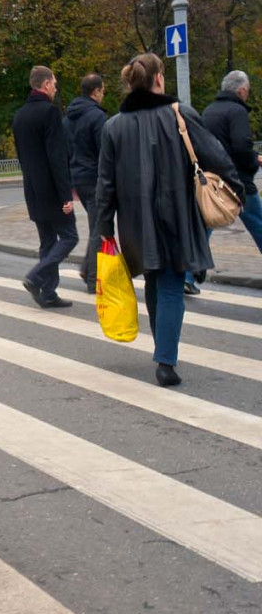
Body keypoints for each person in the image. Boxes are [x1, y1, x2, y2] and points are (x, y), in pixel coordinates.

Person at [97, 53, 243, 388]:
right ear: (159, 79)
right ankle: (165, 360)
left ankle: (162, 347)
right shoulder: (181, 114)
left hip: (135, 223)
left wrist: (103, 230)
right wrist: (237, 188)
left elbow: (105, 185)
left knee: (153, 279)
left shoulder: (113, 127)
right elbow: (215, 155)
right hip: (177, 215)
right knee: (173, 285)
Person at [12, 65, 77, 309]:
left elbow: (22, 157)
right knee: (70, 236)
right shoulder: (49, 113)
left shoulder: (19, 116)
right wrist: (66, 194)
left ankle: (48, 292)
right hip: (52, 192)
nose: (56, 87)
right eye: (55, 83)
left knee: (48, 242)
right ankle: (36, 276)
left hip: (33, 190)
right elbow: (57, 157)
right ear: (46, 84)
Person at [202, 71, 262, 255]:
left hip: (213, 179)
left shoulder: (208, 111)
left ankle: (188, 276)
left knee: (208, 223)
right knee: (258, 223)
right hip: (237, 180)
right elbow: (242, 146)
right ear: (242, 90)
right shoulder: (237, 111)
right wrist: (253, 163)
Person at [65, 73, 108, 294]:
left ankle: (87, 269)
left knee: (96, 225)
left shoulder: (69, 117)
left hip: (77, 178)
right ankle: (92, 278)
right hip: (95, 178)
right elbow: (105, 151)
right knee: (99, 227)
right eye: (103, 90)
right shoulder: (96, 117)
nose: (103, 94)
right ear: (96, 91)